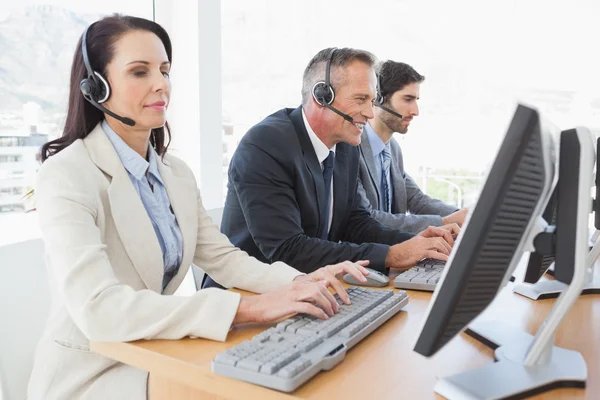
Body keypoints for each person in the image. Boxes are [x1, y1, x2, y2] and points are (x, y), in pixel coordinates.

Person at [27, 16, 370, 400]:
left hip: (154, 351)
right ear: (96, 87)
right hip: (92, 371)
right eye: (139, 72)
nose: (161, 84)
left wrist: (301, 283)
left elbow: (224, 258)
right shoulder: (67, 175)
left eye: (164, 71)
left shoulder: (175, 173)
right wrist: (248, 308)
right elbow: (99, 309)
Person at [204, 48, 458, 289]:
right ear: (322, 96)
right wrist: (392, 255)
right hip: (246, 295)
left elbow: (357, 224)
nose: (370, 113)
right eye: (361, 99)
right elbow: (287, 249)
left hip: (308, 288)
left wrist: (416, 243)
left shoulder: (345, 145)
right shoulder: (266, 145)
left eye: (373, 100)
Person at [357, 60, 468, 232]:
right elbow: (367, 217)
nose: (415, 111)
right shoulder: (352, 147)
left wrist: (463, 215)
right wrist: (445, 223)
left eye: (415, 100)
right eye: (408, 99)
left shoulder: (392, 149)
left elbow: (417, 200)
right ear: (378, 98)